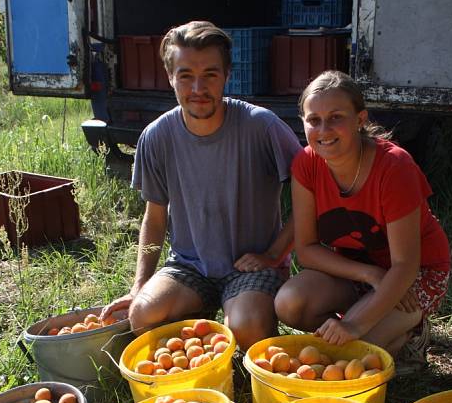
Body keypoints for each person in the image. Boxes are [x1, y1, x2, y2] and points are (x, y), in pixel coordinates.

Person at [100, 20, 302, 350]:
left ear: (227, 74)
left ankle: (240, 315)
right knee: (144, 316)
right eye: (185, 76)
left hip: (250, 268)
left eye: (210, 74)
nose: (198, 88)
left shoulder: (260, 126)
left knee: (247, 327)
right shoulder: (156, 137)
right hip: (189, 266)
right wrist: (140, 284)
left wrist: (274, 253)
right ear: (170, 78)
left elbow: (312, 190)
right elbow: (154, 217)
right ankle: (202, 323)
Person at [245, 70, 450, 362]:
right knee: (290, 303)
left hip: (415, 275)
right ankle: (376, 325)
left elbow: (405, 265)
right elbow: (307, 251)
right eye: (313, 120)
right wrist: (369, 274)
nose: (324, 130)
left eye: (336, 117)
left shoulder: (394, 166)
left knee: (356, 352)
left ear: (360, 120)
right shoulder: (306, 164)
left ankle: (410, 332)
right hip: (357, 268)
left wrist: (354, 324)